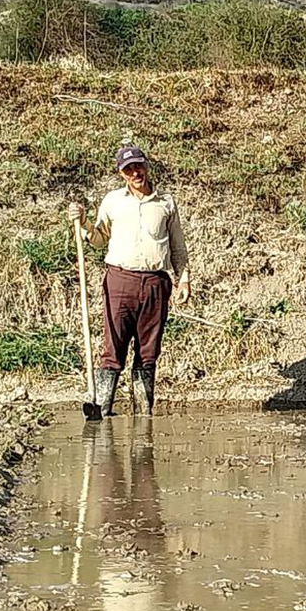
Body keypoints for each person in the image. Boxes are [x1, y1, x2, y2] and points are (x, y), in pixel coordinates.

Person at [72, 146, 190, 415]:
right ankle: (101, 410)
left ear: (146, 166)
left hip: (155, 283)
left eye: (138, 166)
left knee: (148, 351)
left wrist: (184, 279)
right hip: (119, 280)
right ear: (121, 173)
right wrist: (83, 224)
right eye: (128, 169)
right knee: (113, 347)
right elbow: (99, 238)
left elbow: (178, 247)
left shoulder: (166, 203)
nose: (135, 173)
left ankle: (144, 413)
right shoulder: (113, 201)